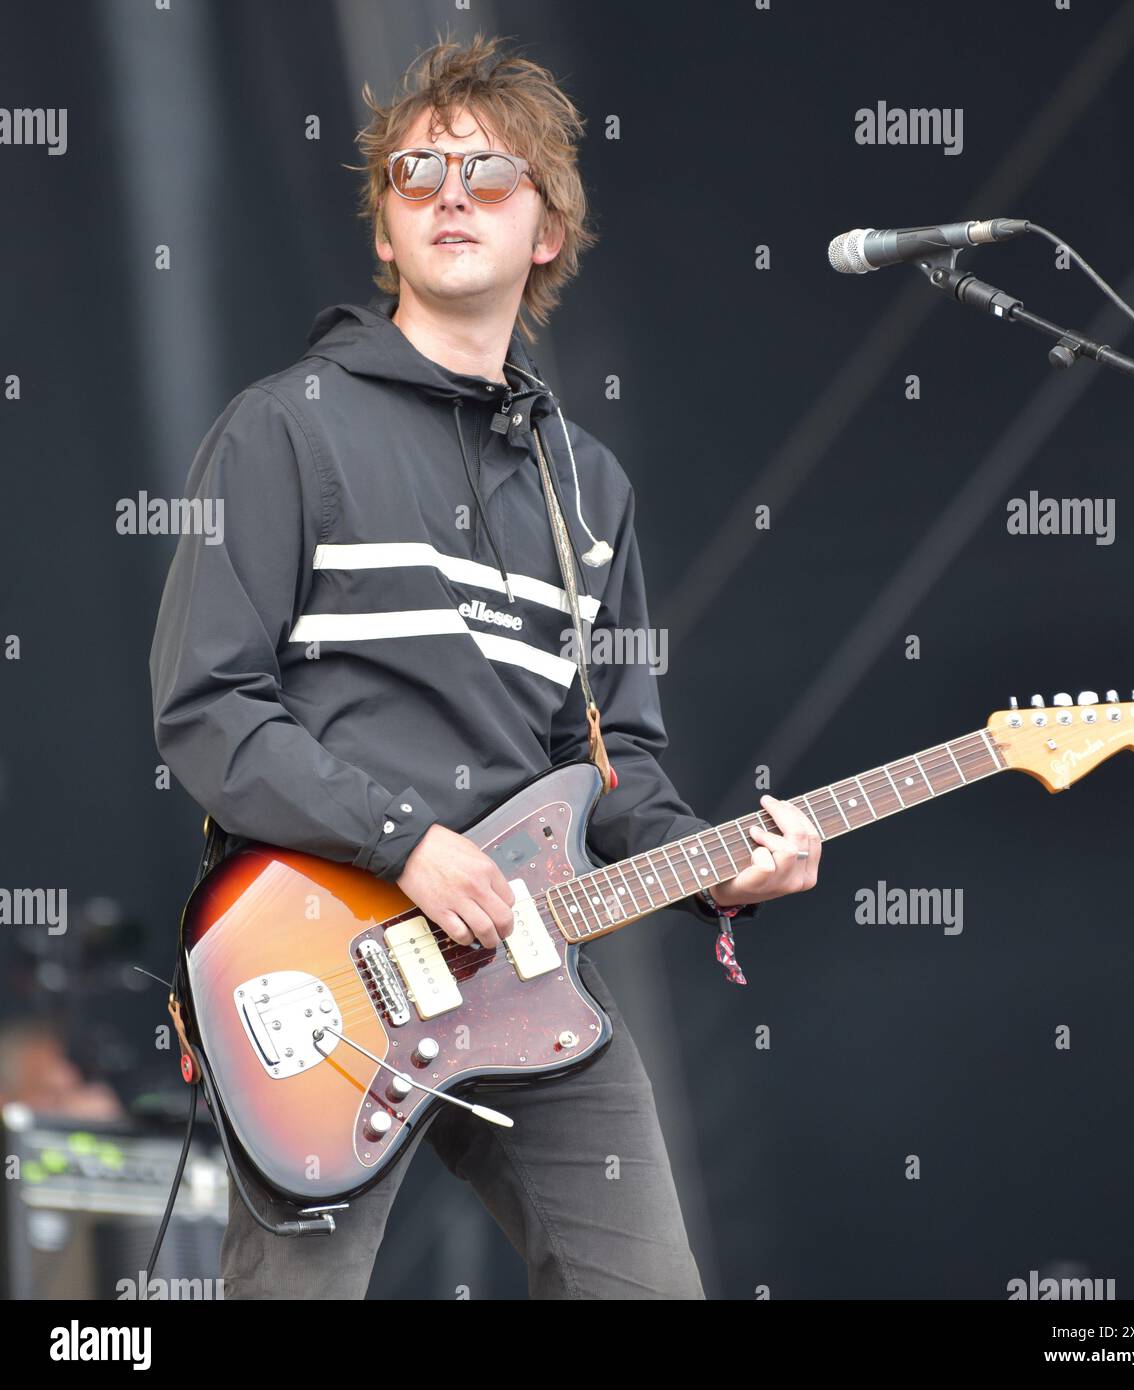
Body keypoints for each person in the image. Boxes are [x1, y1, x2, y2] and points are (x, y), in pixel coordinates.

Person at [149, 31, 821, 1300]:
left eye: (487, 175)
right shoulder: (285, 428)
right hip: (325, 956)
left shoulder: (589, 485)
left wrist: (725, 871)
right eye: (416, 173)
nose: (448, 192)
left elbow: (608, 764)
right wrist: (401, 837)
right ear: (386, 232)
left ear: (548, 230)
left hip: (527, 976)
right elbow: (209, 709)